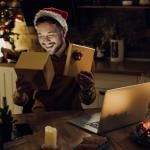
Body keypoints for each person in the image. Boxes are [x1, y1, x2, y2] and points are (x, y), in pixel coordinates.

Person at [13, 7, 96, 113]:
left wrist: (87, 88)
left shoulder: (81, 56)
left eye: (50, 35)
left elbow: (88, 101)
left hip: (71, 116)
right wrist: (19, 93)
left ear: (64, 32)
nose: (45, 41)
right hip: (40, 117)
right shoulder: (33, 57)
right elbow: (21, 102)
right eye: (40, 35)